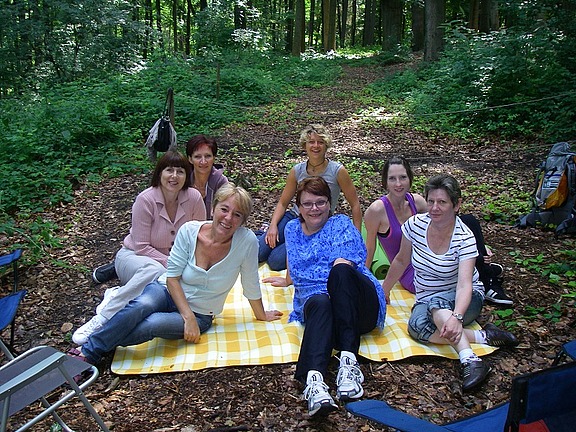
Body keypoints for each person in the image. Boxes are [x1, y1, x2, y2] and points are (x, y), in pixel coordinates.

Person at [75, 183, 283, 365]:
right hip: (167, 291)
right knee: (142, 305)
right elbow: (172, 278)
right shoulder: (189, 231)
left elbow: (250, 283)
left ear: (243, 221)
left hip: (201, 313)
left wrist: (261, 315)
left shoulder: (247, 242)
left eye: (237, 215)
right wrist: (187, 317)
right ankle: (88, 353)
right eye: (224, 209)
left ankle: (91, 347)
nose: (228, 218)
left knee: (151, 323)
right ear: (213, 208)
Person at [381, 174, 518, 392]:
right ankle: (484, 336)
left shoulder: (464, 237)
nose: (435, 208)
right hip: (426, 297)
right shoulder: (415, 225)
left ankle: (470, 359)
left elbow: (465, 285)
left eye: (442, 202)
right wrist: (384, 290)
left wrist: (457, 317)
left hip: (465, 298)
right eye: (431, 201)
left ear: (456, 205)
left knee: (437, 304)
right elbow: (400, 260)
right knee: (416, 328)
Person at [264, 177, 386, 417]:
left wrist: (329, 290)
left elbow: (345, 263)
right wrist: (288, 280)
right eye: (307, 204)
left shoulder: (340, 224)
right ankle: (314, 382)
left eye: (320, 202)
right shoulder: (292, 229)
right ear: (298, 207)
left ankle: (348, 363)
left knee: (339, 272)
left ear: (329, 204)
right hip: (321, 306)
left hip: (357, 305)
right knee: (320, 302)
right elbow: (297, 269)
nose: (314, 209)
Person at [73, 151, 207, 345]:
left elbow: (198, 237)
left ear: (187, 176)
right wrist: (174, 265)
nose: (174, 176)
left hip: (171, 264)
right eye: (169, 170)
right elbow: (142, 247)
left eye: (180, 171)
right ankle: (103, 318)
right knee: (156, 270)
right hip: (134, 257)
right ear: (159, 173)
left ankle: (119, 294)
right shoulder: (146, 199)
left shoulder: (193, 198)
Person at [364, 156, 513, 304]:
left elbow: (446, 221)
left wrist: (476, 245)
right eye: (392, 178)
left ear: (410, 179)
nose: (398, 183)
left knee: (469, 220)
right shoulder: (377, 210)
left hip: (434, 258)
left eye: (403, 177)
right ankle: (487, 277)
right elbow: (370, 249)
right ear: (385, 182)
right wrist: (365, 281)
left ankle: (484, 271)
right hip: (412, 272)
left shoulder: (417, 202)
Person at [258, 124, 362, 271]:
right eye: (311, 142)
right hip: (293, 218)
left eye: (320, 142)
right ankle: (261, 233)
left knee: (275, 261)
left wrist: (356, 237)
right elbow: (283, 203)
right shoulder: (297, 170)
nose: (316, 146)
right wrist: (273, 226)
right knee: (259, 252)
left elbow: (355, 204)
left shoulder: (337, 171)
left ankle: (292, 242)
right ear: (305, 146)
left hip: (317, 222)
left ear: (326, 145)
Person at [186, 134, 229, 219]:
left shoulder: (221, 182)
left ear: (214, 158)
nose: (203, 161)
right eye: (198, 157)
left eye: (207, 156)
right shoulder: (184, 181)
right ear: (190, 159)